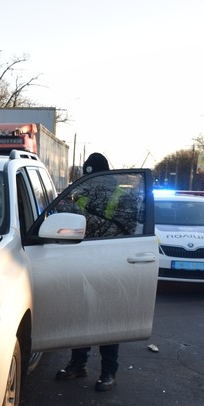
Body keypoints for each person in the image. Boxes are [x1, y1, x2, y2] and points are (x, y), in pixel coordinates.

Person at [55, 152, 120, 392]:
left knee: (107, 320)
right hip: (80, 260)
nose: (91, 181)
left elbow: (111, 227)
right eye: (88, 176)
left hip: (109, 262)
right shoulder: (82, 192)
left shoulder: (121, 197)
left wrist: (77, 212)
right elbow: (67, 221)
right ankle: (78, 364)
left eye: (95, 176)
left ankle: (108, 371)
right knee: (79, 316)